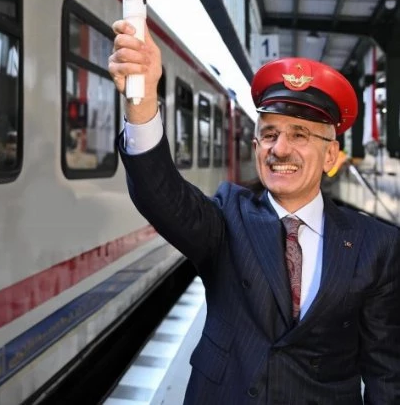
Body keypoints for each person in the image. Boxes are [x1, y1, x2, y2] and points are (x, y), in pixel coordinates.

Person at [108, 20, 400, 404]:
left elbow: (386, 373)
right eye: (269, 133)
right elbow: (159, 193)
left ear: (331, 154)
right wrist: (143, 100)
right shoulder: (227, 217)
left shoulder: (377, 245)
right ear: (256, 145)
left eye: (299, 134)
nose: (280, 148)